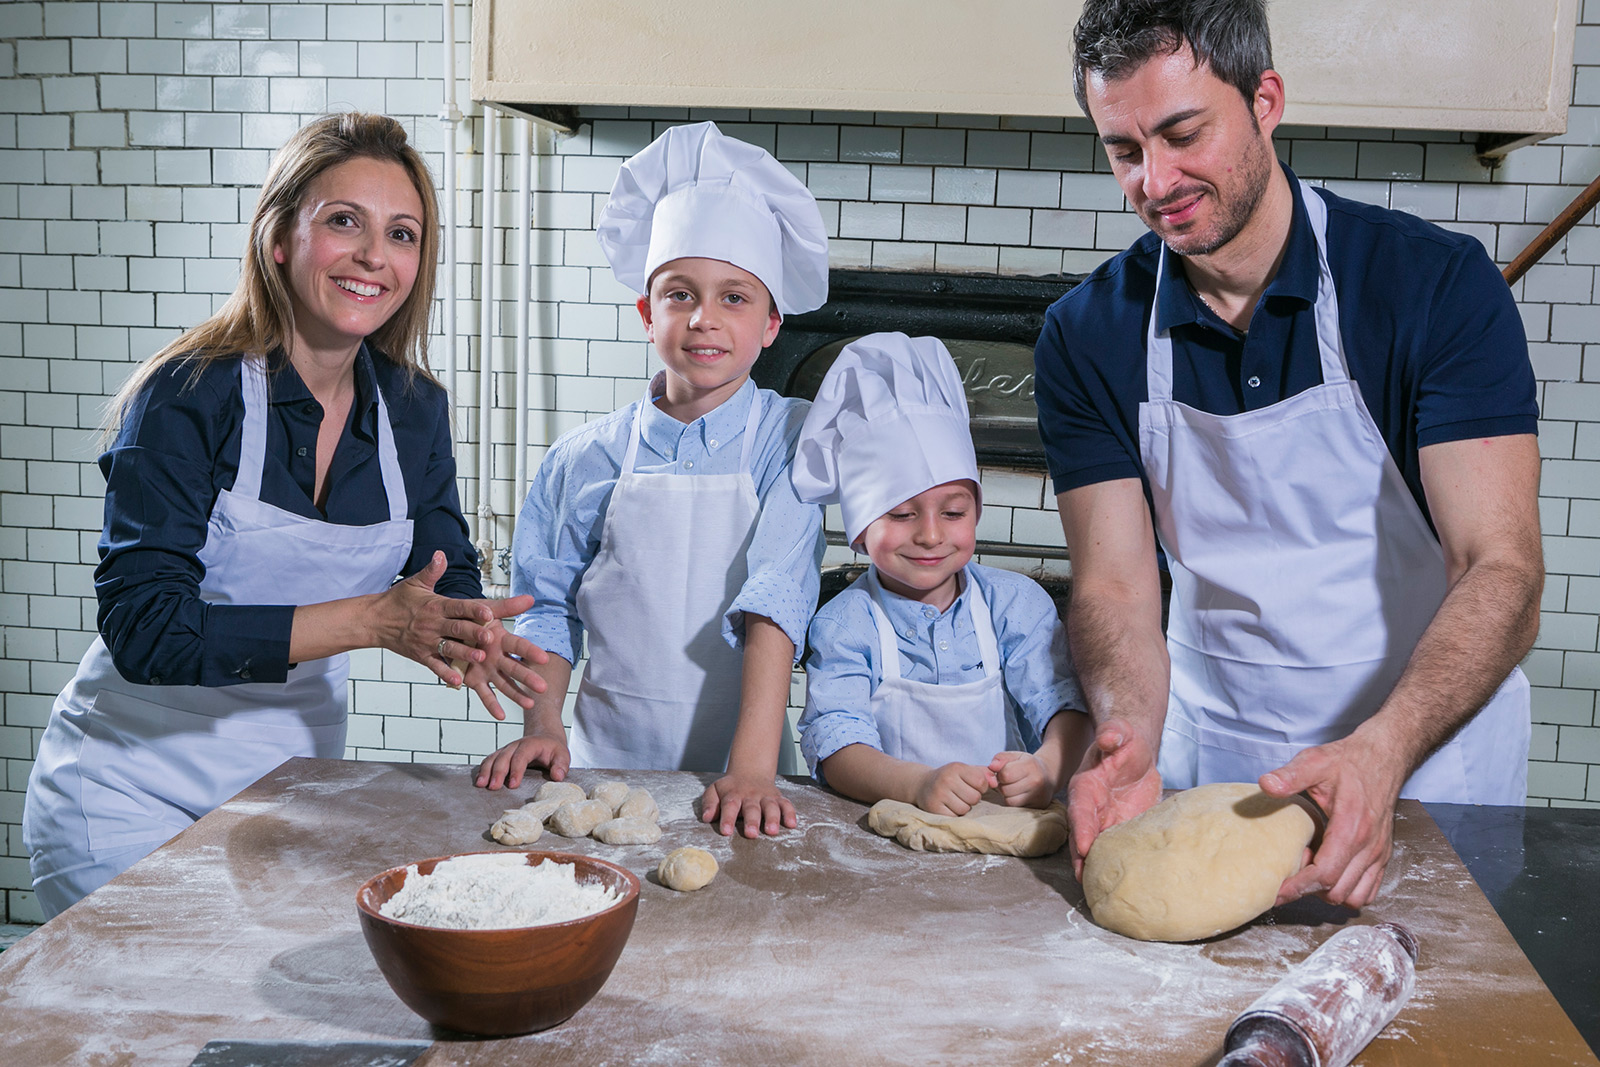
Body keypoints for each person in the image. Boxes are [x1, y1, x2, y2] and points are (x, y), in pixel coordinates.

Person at [1036, 0, 1542, 909]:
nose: (1156, 180)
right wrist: (1125, 733)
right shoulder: (1087, 334)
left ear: (1265, 99)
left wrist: (1382, 751)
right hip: (1219, 775)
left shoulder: (1431, 287)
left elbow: (1501, 569)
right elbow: (1114, 588)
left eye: (1183, 132)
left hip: (1429, 766)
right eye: (1123, 150)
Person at [23, 113, 549, 918]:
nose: (376, 254)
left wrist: (465, 625)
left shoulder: (414, 410)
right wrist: (373, 622)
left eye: (402, 233)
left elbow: (443, 562)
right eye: (345, 221)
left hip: (289, 792)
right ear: (279, 240)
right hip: (129, 788)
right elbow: (145, 629)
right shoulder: (188, 393)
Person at [474, 121, 829, 838]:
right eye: (679, 294)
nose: (705, 319)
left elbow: (778, 595)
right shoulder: (582, 458)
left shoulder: (791, 438)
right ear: (646, 313)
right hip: (604, 770)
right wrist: (544, 724)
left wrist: (754, 768)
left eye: (735, 297)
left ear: (770, 324)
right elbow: (548, 606)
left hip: (745, 774)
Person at [792, 333, 1092, 813]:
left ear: (976, 511)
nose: (931, 536)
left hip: (1010, 827)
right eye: (901, 515)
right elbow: (835, 746)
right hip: (889, 842)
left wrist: (1049, 768)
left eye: (953, 513)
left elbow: (1063, 705)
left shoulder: (1013, 604)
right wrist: (917, 786)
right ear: (859, 528)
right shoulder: (846, 624)